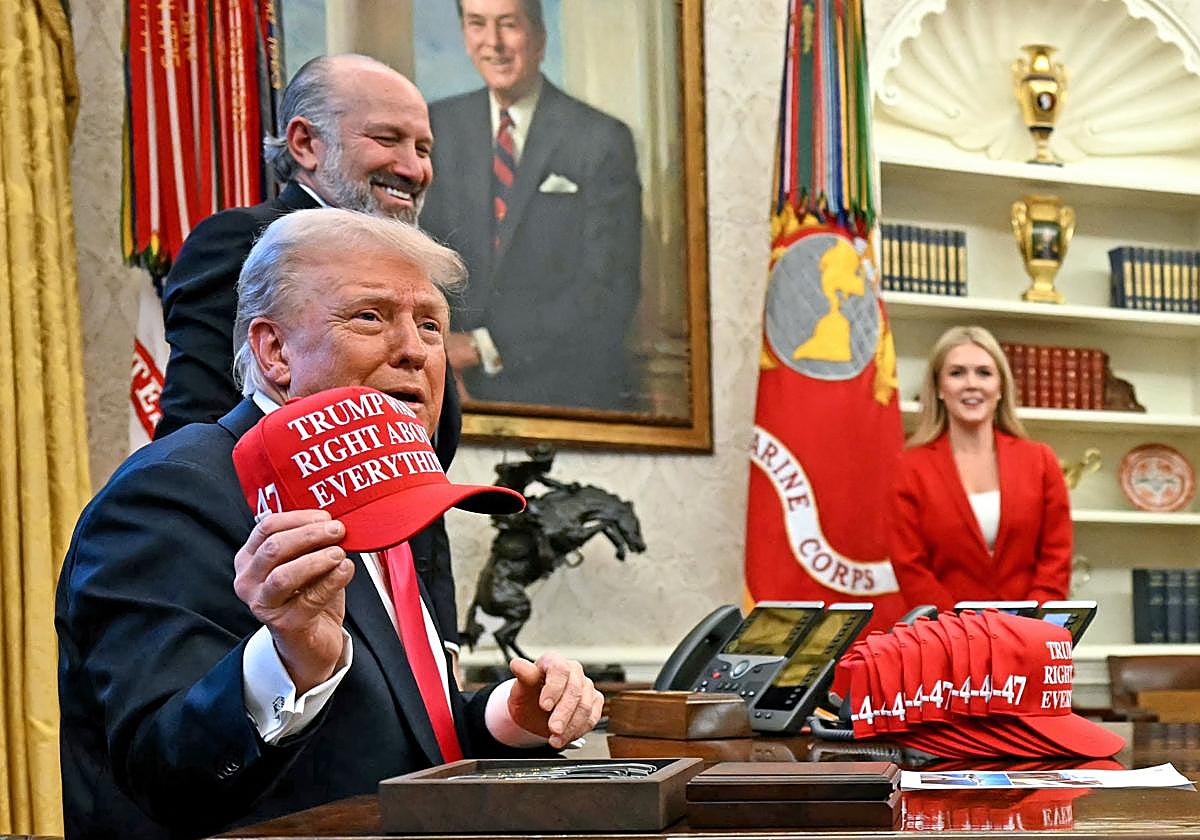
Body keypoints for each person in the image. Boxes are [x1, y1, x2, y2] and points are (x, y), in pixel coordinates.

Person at [56, 209, 605, 839]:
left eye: (431, 326)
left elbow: (406, 732)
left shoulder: (397, 495)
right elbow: (159, 773)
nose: (414, 352)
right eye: (370, 317)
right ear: (274, 351)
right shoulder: (173, 490)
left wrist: (510, 717)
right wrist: (291, 663)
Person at [154, 53, 463, 649]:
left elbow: (423, 468)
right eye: (388, 139)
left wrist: (436, 634)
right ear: (304, 143)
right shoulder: (245, 243)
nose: (413, 167)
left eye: (424, 149)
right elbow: (197, 434)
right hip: (277, 610)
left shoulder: (409, 271)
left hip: (405, 604)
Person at [420, 0, 643, 411]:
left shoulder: (601, 139)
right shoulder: (437, 127)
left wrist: (484, 345)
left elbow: (608, 290)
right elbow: (421, 260)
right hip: (448, 391)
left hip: (566, 394)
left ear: (539, 38)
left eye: (508, 25)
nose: (494, 43)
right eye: (477, 25)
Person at [888, 325, 1072, 611]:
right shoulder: (909, 468)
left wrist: (1027, 626)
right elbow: (910, 567)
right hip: (945, 639)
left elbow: (1056, 558)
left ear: (1000, 388)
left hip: (1027, 636)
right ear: (938, 387)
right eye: (957, 373)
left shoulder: (1041, 461)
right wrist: (962, 634)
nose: (971, 383)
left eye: (984, 373)